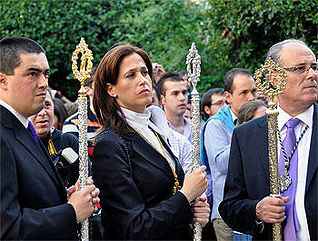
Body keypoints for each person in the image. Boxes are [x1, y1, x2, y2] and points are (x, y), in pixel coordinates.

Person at [92, 44, 210, 240]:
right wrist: (185, 196)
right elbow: (131, 228)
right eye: (131, 75)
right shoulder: (111, 144)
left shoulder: (153, 129)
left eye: (145, 72)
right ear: (111, 89)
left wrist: (193, 212)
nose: (143, 80)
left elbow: (165, 195)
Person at [0, 37, 99, 239]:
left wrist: (67, 199)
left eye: (45, 74)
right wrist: (70, 212)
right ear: (2, 80)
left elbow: (31, 199)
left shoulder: (23, 127)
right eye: (32, 74)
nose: (44, 84)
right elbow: (7, 228)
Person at [219, 39, 318, 240]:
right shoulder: (246, 135)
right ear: (274, 77)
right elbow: (230, 206)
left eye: (314, 67)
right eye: (300, 68)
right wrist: (256, 210)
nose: (312, 75)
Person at [201, 68, 257, 240]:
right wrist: (243, 132)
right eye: (244, 93)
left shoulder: (260, 118)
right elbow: (222, 164)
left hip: (255, 207)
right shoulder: (216, 124)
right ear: (228, 96)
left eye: (254, 91)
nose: (251, 98)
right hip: (226, 212)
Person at [30, 90, 81, 187]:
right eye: (36, 106)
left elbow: (87, 177)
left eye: (47, 105)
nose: (42, 112)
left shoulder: (67, 141)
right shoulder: (14, 142)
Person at [63, 72, 101, 159]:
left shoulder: (121, 119)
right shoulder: (73, 123)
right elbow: (75, 162)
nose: (108, 88)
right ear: (87, 90)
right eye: (101, 83)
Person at [158, 71, 192, 142]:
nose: (182, 98)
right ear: (162, 99)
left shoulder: (196, 129)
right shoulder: (157, 130)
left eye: (184, 93)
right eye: (175, 93)